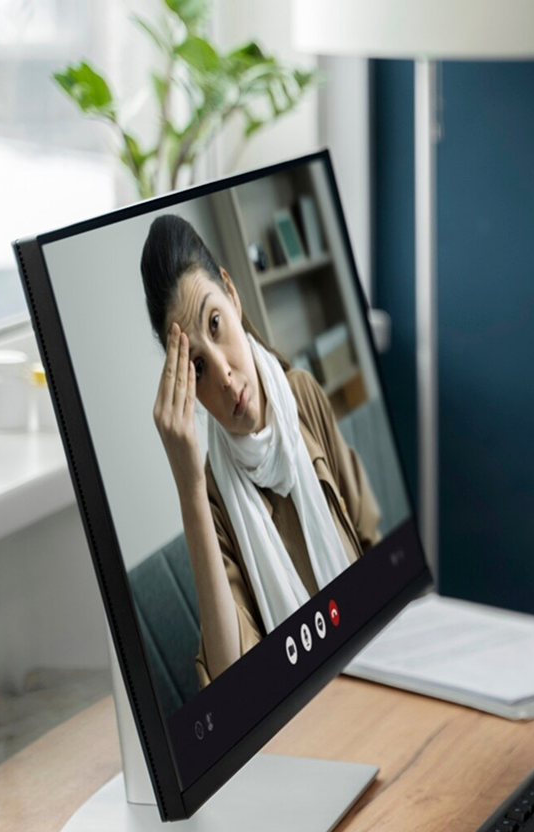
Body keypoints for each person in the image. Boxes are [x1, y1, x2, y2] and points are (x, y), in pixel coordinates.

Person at [140, 214, 381, 685]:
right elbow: (231, 680)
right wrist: (188, 485)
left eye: (215, 324)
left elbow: (371, 545)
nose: (225, 376)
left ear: (231, 293)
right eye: (197, 366)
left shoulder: (303, 396)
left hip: (377, 665)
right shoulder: (210, 495)